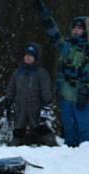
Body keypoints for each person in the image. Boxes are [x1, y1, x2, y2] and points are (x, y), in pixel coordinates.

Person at [33, 1, 88, 147]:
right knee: (68, 127)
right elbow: (54, 34)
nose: (76, 30)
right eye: (75, 28)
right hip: (65, 95)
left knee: (84, 128)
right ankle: (69, 155)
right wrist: (45, 15)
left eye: (80, 28)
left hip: (83, 97)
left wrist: (85, 89)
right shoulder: (66, 46)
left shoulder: (87, 49)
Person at [6, 44, 55, 146]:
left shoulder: (41, 73)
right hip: (20, 106)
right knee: (19, 128)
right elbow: (11, 87)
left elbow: (45, 89)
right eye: (26, 55)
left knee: (41, 128)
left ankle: (52, 146)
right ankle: (14, 147)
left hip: (36, 106)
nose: (28, 57)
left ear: (35, 58)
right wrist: (8, 100)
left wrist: (46, 104)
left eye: (31, 56)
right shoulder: (18, 72)